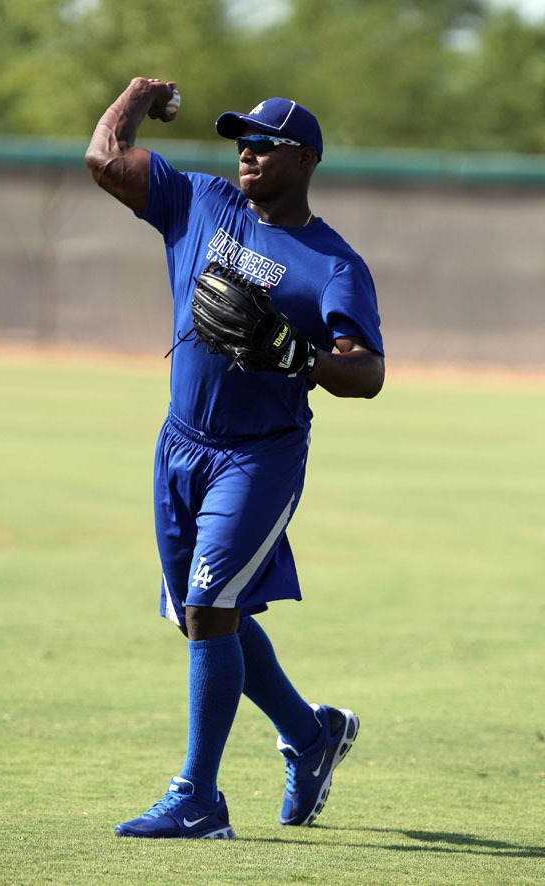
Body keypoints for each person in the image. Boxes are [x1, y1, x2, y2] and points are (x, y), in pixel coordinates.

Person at [85, 78, 385, 840]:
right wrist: (138, 93)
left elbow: (367, 372)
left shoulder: (333, 264)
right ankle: (311, 736)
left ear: (305, 160)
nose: (246, 154)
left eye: (264, 144)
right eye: (240, 143)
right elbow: (103, 157)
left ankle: (200, 798)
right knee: (202, 618)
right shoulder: (200, 203)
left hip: (259, 457)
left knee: (211, 609)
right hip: (179, 444)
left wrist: (300, 352)